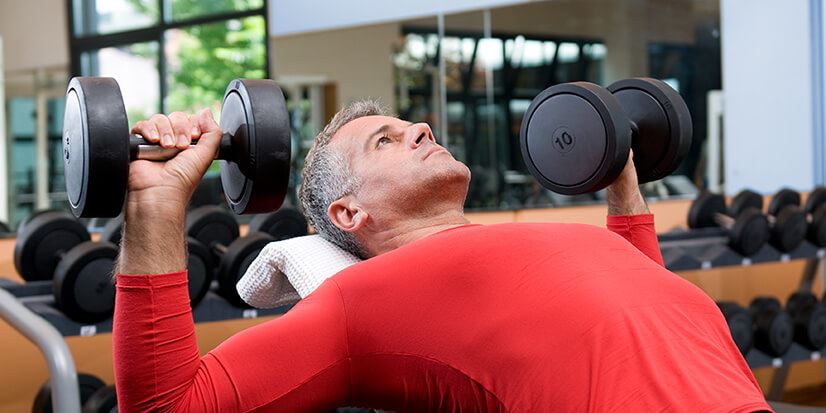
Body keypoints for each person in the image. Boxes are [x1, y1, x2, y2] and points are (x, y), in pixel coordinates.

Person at [113, 101, 771, 412]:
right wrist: (155, 201)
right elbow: (170, 404)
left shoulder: (576, 237)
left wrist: (621, 172)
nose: (422, 128)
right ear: (348, 213)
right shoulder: (362, 302)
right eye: (386, 140)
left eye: (412, 124)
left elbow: (642, 306)